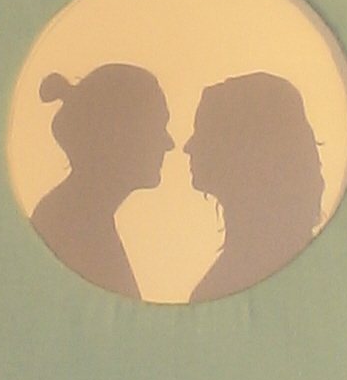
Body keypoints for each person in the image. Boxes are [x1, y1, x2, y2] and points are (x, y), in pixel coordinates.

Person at [31, 64, 173, 298]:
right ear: (122, 136)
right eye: (158, 127)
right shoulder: (75, 226)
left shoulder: (79, 217)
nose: (169, 143)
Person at [184, 72, 324, 303]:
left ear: (240, 146)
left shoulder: (245, 278)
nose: (188, 146)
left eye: (204, 133)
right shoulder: (297, 265)